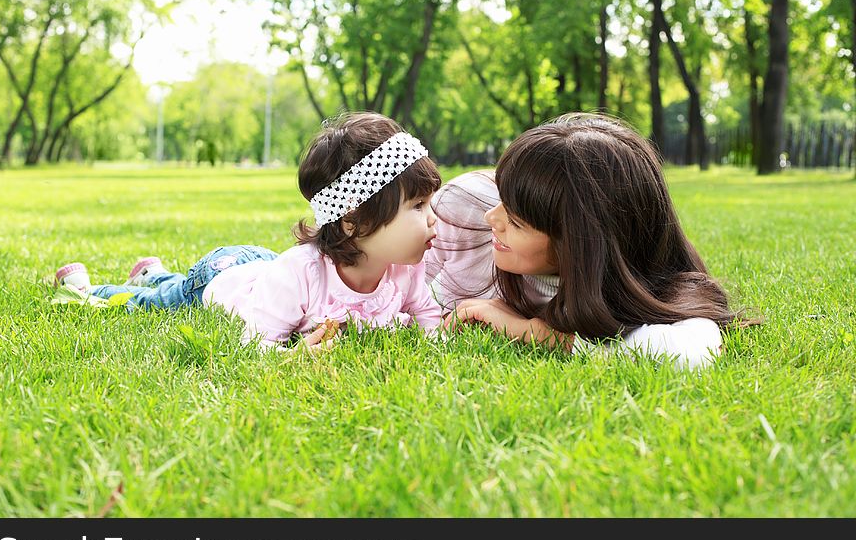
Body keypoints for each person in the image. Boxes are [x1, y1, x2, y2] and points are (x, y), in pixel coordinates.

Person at [55, 112, 443, 352]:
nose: (432, 218)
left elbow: (427, 315)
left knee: (166, 284)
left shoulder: (404, 269)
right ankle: (89, 290)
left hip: (262, 269)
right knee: (159, 300)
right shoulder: (300, 275)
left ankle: (152, 270)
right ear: (353, 221)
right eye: (417, 206)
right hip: (222, 277)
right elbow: (256, 343)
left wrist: (435, 342)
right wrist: (294, 357)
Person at [425, 113, 743, 369]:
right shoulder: (464, 212)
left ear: (580, 246)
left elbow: (689, 354)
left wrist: (533, 332)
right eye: (501, 197)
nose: (491, 219)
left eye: (517, 221)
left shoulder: (655, 285)